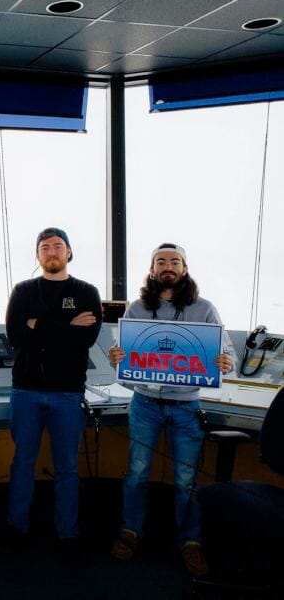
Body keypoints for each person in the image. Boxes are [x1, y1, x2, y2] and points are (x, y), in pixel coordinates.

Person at [108, 243, 233, 576]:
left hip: (186, 407)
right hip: (144, 404)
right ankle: (130, 530)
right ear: (152, 269)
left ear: (184, 268)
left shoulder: (204, 308)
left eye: (174, 261)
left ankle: (190, 541)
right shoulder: (136, 308)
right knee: (136, 473)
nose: (167, 266)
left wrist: (226, 361)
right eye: (161, 261)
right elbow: (123, 350)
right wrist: (117, 357)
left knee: (186, 479)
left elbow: (227, 354)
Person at [3, 227, 101, 553]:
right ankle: (16, 527)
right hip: (26, 392)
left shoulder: (86, 292)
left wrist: (39, 326)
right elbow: (17, 336)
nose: (52, 252)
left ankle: (67, 532)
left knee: (67, 467)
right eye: (44, 248)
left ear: (69, 252)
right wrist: (66, 328)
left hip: (68, 393)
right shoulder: (24, 290)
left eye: (58, 246)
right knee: (22, 462)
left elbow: (85, 339)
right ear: (38, 255)